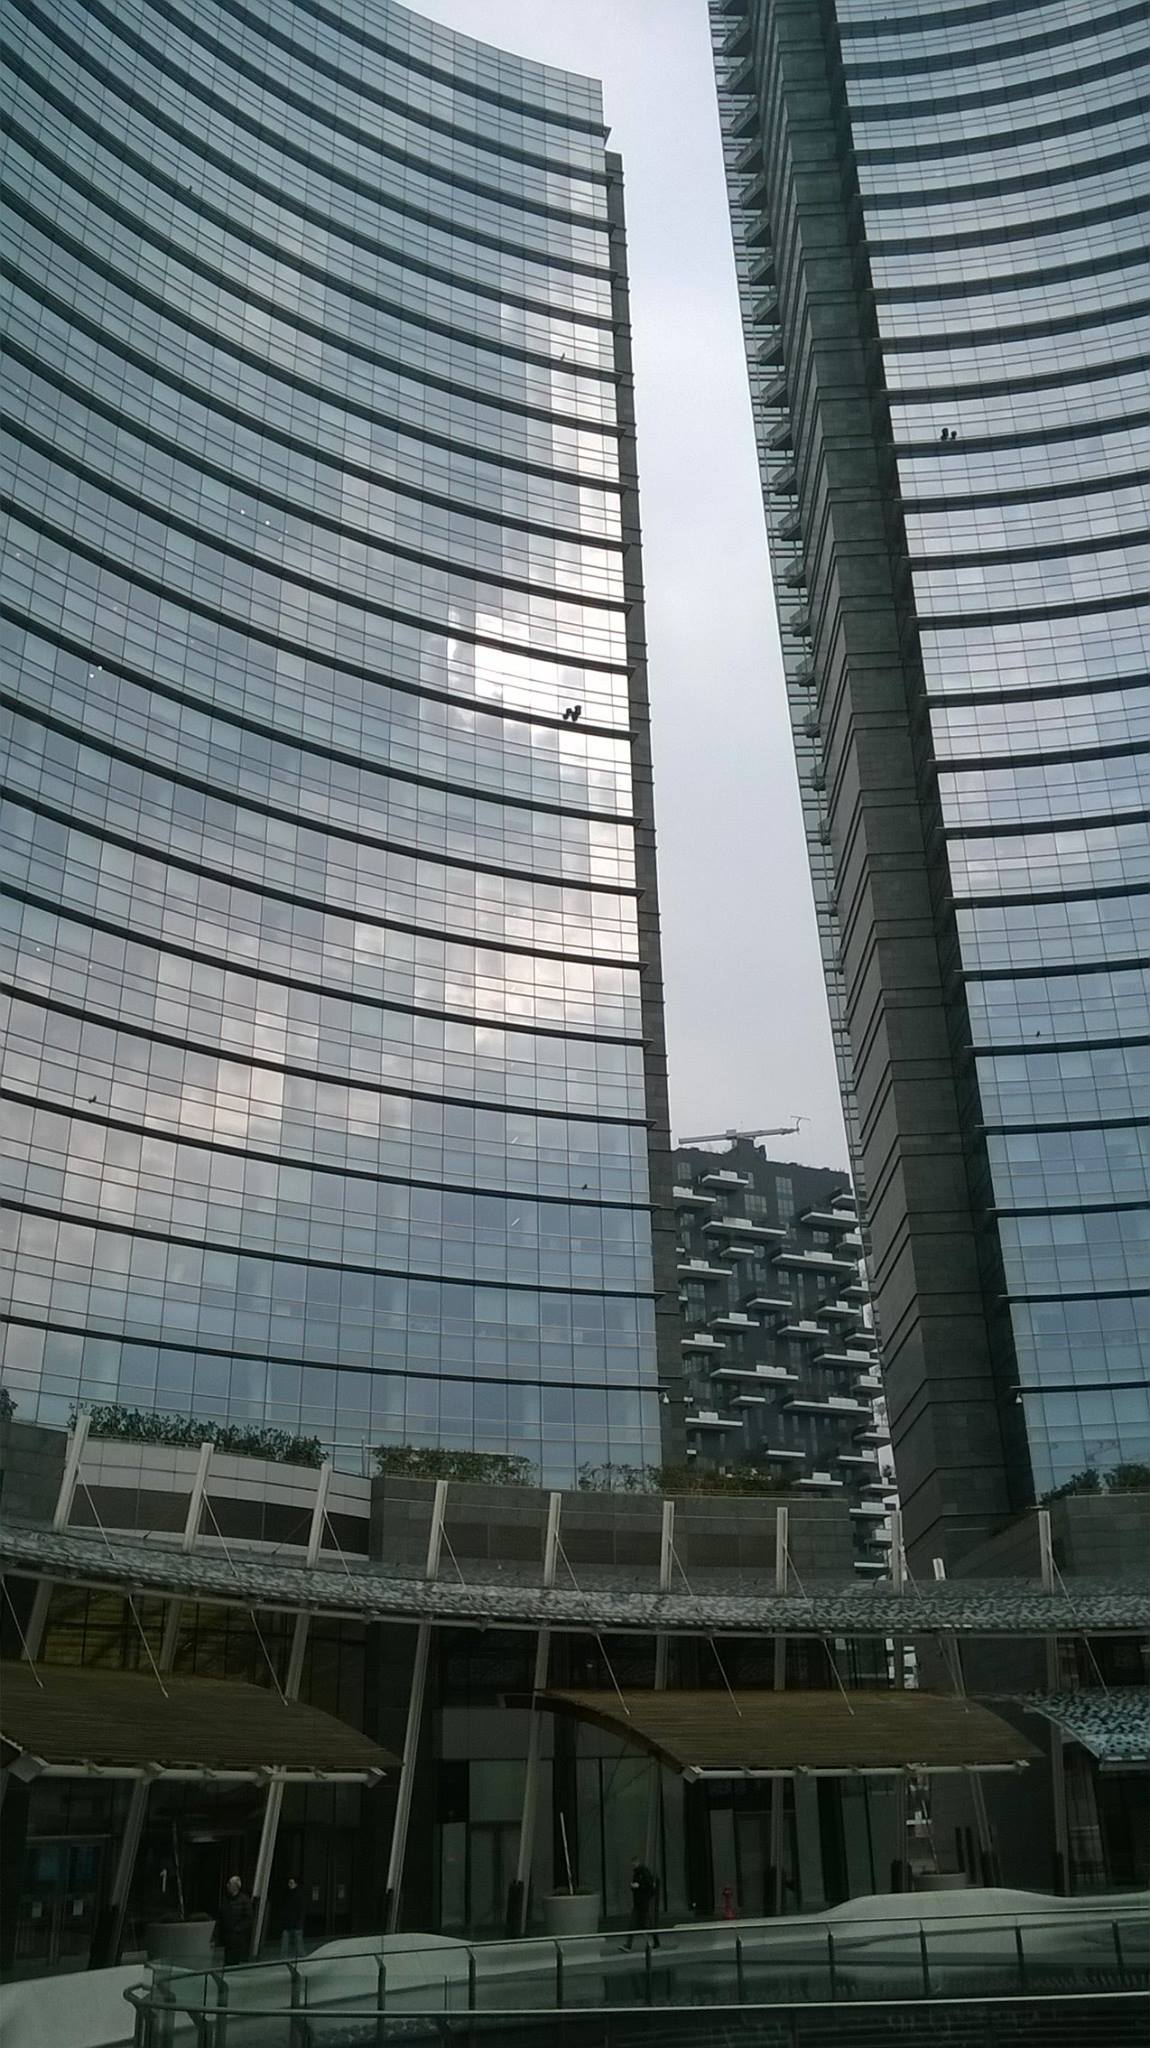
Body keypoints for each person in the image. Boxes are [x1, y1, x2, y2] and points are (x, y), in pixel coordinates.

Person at [214, 1874, 254, 1966]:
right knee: (227, 1960)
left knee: (234, 1960)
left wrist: (237, 1929)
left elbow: (248, 1918)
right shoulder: (226, 1899)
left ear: (235, 1886)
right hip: (227, 1935)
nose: (227, 1885)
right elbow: (222, 1916)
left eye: (230, 1883)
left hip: (237, 1937)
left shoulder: (244, 1900)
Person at [623, 1855, 659, 1950]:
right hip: (639, 1902)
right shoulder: (638, 1873)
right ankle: (629, 1945)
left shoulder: (643, 1872)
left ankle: (629, 1945)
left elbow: (649, 1886)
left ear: (637, 1862)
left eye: (633, 1863)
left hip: (642, 1902)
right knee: (641, 1923)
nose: (632, 1865)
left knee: (639, 1923)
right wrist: (634, 1887)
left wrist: (638, 1886)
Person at [279, 1876, 305, 1959]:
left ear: (295, 1884)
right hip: (290, 1921)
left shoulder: (296, 1895)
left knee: (294, 1939)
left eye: (291, 1883)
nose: (289, 1884)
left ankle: (298, 1955)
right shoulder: (291, 1894)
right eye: (289, 1883)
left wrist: (299, 1921)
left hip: (294, 1921)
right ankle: (287, 1956)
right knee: (293, 1939)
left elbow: (301, 1909)